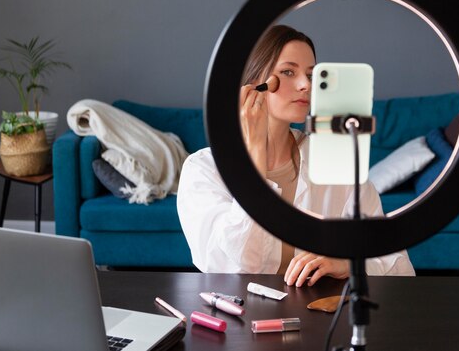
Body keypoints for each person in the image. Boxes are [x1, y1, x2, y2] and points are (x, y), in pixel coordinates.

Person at [177, 25, 415, 287]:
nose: (305, 85)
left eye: (312, 75)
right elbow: (239, 266)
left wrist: (347, 263)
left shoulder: (332, 160)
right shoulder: (202, 169)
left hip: (319, 313)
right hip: (236, 315)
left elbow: (399, 264)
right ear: (252, 82)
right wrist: (256, 151)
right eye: (288, 72)